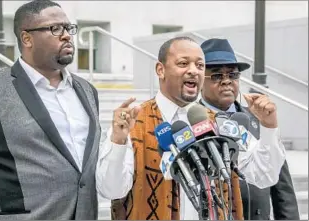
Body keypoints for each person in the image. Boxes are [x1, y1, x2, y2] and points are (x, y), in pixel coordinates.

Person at [0, 0, 138, 219]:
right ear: (27, 38)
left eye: (68, 28)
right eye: (55, 28)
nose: (66, 35)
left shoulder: (87, 91)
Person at [98, 36, 285, 220]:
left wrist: (269, 128)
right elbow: (111, 189)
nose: (194, 71)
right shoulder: (134, 123)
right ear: (160, 69)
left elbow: (264, 175)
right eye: (183, 63)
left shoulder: (220, 124)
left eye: (200, 65)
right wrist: (118, 142)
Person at [199, 38, 299, 220]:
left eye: (233, 75)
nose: (226, 81)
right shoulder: (191, 122)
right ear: (199, 80)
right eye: (217, 75)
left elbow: (282, 187)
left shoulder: (260, 118)